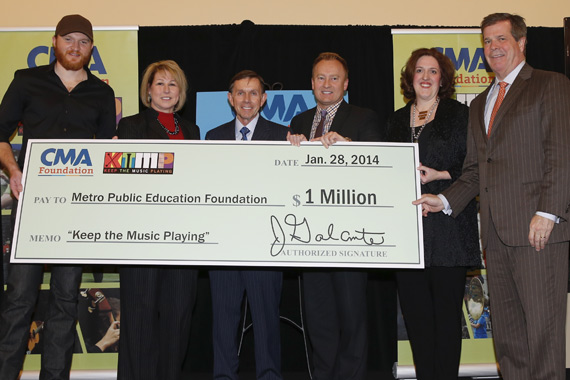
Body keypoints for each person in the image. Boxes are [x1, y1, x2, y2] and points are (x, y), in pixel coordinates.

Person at [413, 13, 570, 380]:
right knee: (510, 342)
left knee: (543, 338)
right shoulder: (480, 101)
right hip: (496, 239)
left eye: (501, 39)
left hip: (538, 232)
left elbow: (562, 154)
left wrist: (548, 213)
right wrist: (444, 201)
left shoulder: (551, 85)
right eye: (487, 41)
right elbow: (475, 170)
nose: (493, 47)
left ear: (521, 42)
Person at [0, 14, 116, 380]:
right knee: (20, 300)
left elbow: (105, 154)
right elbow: (1, 134)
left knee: (66, 301)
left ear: (91, 49)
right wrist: (14, 171)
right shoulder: (27, 81)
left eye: (83, 41)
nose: (75, 47)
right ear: (55, 42)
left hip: (76, 212)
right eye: (69, 39)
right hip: (32, 206)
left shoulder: (101, 93)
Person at [287, 52, 384, 380]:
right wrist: (290, 149)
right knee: (319, 321)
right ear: (311, 83)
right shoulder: (299, 122)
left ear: (346, 83)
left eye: (333, 78)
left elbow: (379, 170)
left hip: (349, 237)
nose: (326, 84)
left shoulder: (364, 118)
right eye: (320, 78)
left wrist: (349, 147)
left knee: (351, 320)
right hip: (309, 237)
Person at [386, 48, 481, 380]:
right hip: (408, 234)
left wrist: (439, 175)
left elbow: (475, 166)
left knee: (445, 321)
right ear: (410, 78)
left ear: (443, 79)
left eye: (433, 71)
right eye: (419, 71)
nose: (425, 77)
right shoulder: (396, 119)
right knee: (417, 321)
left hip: (448, 230)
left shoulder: (461, 114)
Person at [116, 60, 199, 380]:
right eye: (160, 84)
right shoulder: (131, 127)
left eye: (173, 84)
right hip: (141, 236)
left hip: (182, 237)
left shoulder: (192, 131)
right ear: (148, 91)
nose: (166, 90)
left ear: (181, 92)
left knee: (178, 316)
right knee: (140, 317)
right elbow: (130, 179)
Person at [206, 70, 288, 380]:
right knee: (223, 319)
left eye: (253, 93)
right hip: (223, 245)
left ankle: (269, 376)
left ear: (264, 99)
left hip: (265, 245)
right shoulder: (212, 137)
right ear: (230, 98)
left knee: (267, 319)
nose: (247, 99)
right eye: (240, 93)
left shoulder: (283, 136)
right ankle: (223, 376)